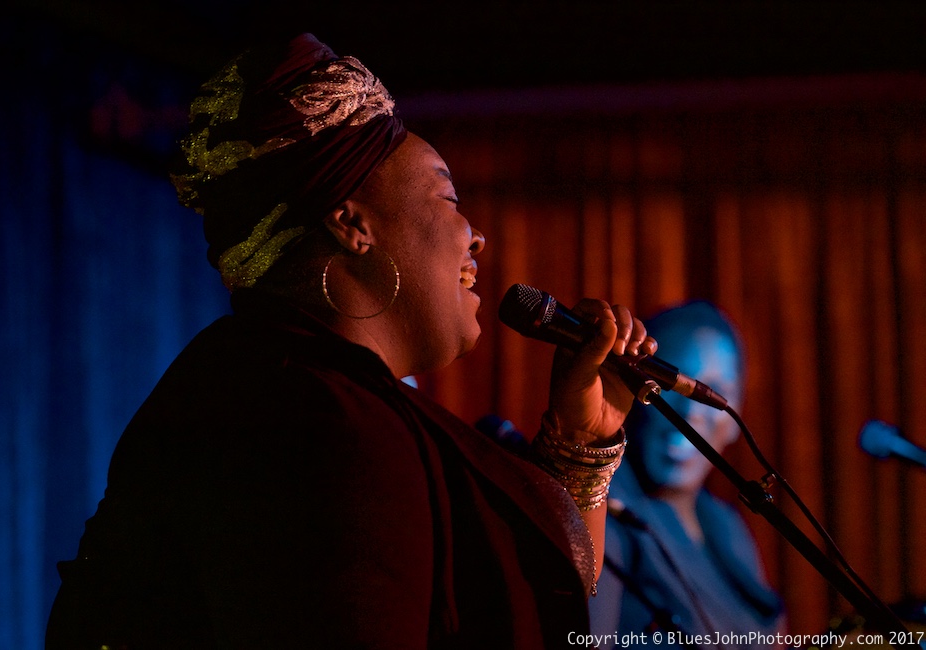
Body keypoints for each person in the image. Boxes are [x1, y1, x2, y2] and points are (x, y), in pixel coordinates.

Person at [45, 33, 657, 648]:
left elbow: (539, 588)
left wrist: (582, 440)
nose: (475, 237)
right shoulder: (317, 418)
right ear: (352, 222)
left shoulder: (281, 384)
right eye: (448, 197)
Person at [590, 301, 783, 650]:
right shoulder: (601, 508)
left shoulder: (727, 525)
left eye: (712, 392)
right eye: (668, 385)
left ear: (735, 417)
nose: (690, 412)